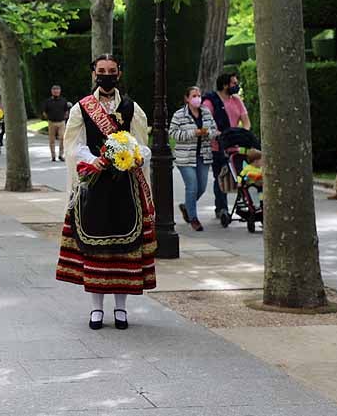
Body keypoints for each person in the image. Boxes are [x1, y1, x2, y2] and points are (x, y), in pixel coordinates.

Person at [57, 54, 154, 330]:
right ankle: (96, 309)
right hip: (95, 186)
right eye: (102, 71)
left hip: (125, 187)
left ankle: (121, 309)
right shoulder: (81, 108)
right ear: (94, 74)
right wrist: (93, 160)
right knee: (94, 248)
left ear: (119, 74)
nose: (107, 75)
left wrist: (136, 156)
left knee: (125, 247)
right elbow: (75, 145)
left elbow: (141, 144)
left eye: (111, 71)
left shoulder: (131, 108)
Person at [169, 86, 218, 232]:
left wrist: (208, 133)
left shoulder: (206, 113)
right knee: (192, 186)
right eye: (194, 95)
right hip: (185, 157)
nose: (197, 98)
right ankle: (193, 218)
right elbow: (173, 133)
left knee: (202, 187)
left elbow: (214, 130)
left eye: (199, 95)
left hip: (203, 155)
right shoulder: (179, 115)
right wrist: (193, 133)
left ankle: (187, 207)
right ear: (187, 98)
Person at [202, 72, 251, 220]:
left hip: (234, 146)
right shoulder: (210, 102)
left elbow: (246, 121)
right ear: (225, 85)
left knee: (242, 177)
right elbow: (206, 123)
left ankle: (247, 205)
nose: (236, 86)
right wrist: (217, 133)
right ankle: (222, 208)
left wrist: (243, 132)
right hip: (218, 147)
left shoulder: (236, 100)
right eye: (234, 84)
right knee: (221, 177)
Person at [42, 84, 71, 162]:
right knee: (52, 140)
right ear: (52, 91)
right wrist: (48, 118)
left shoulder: (63, 100)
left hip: (61, 122)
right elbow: (44, 112)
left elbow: (66, 111)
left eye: (57, 90)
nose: (56, 92)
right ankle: (53, 156)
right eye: (54, 90)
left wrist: (65, 117)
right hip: (51, 122)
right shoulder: (48, 101)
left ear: (60, 91)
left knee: (62, 138)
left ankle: (61, 155)